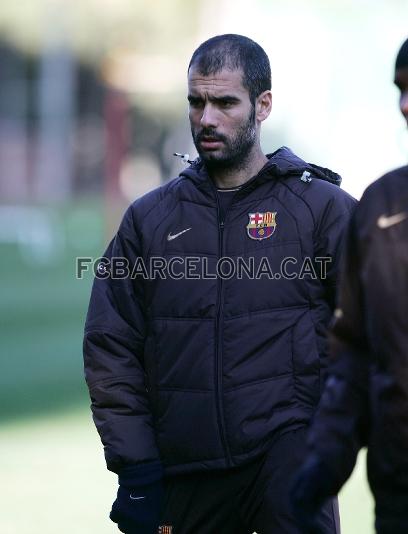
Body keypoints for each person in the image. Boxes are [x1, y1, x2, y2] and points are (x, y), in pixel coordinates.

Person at [83, 34, 355, 534]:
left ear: (263, 105)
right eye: (196, 102)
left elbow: (372, 328)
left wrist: (334, 437)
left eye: (224, 102)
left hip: (288, 467)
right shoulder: (149, 220)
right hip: (184, 471)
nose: (206, 118)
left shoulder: (323, 211)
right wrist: (136, 467)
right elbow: (110, 345)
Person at [290, 37, 408, 534]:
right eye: (400, 89)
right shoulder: (381, 206)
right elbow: (355, 351)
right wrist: (326, 460)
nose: (405, 104)